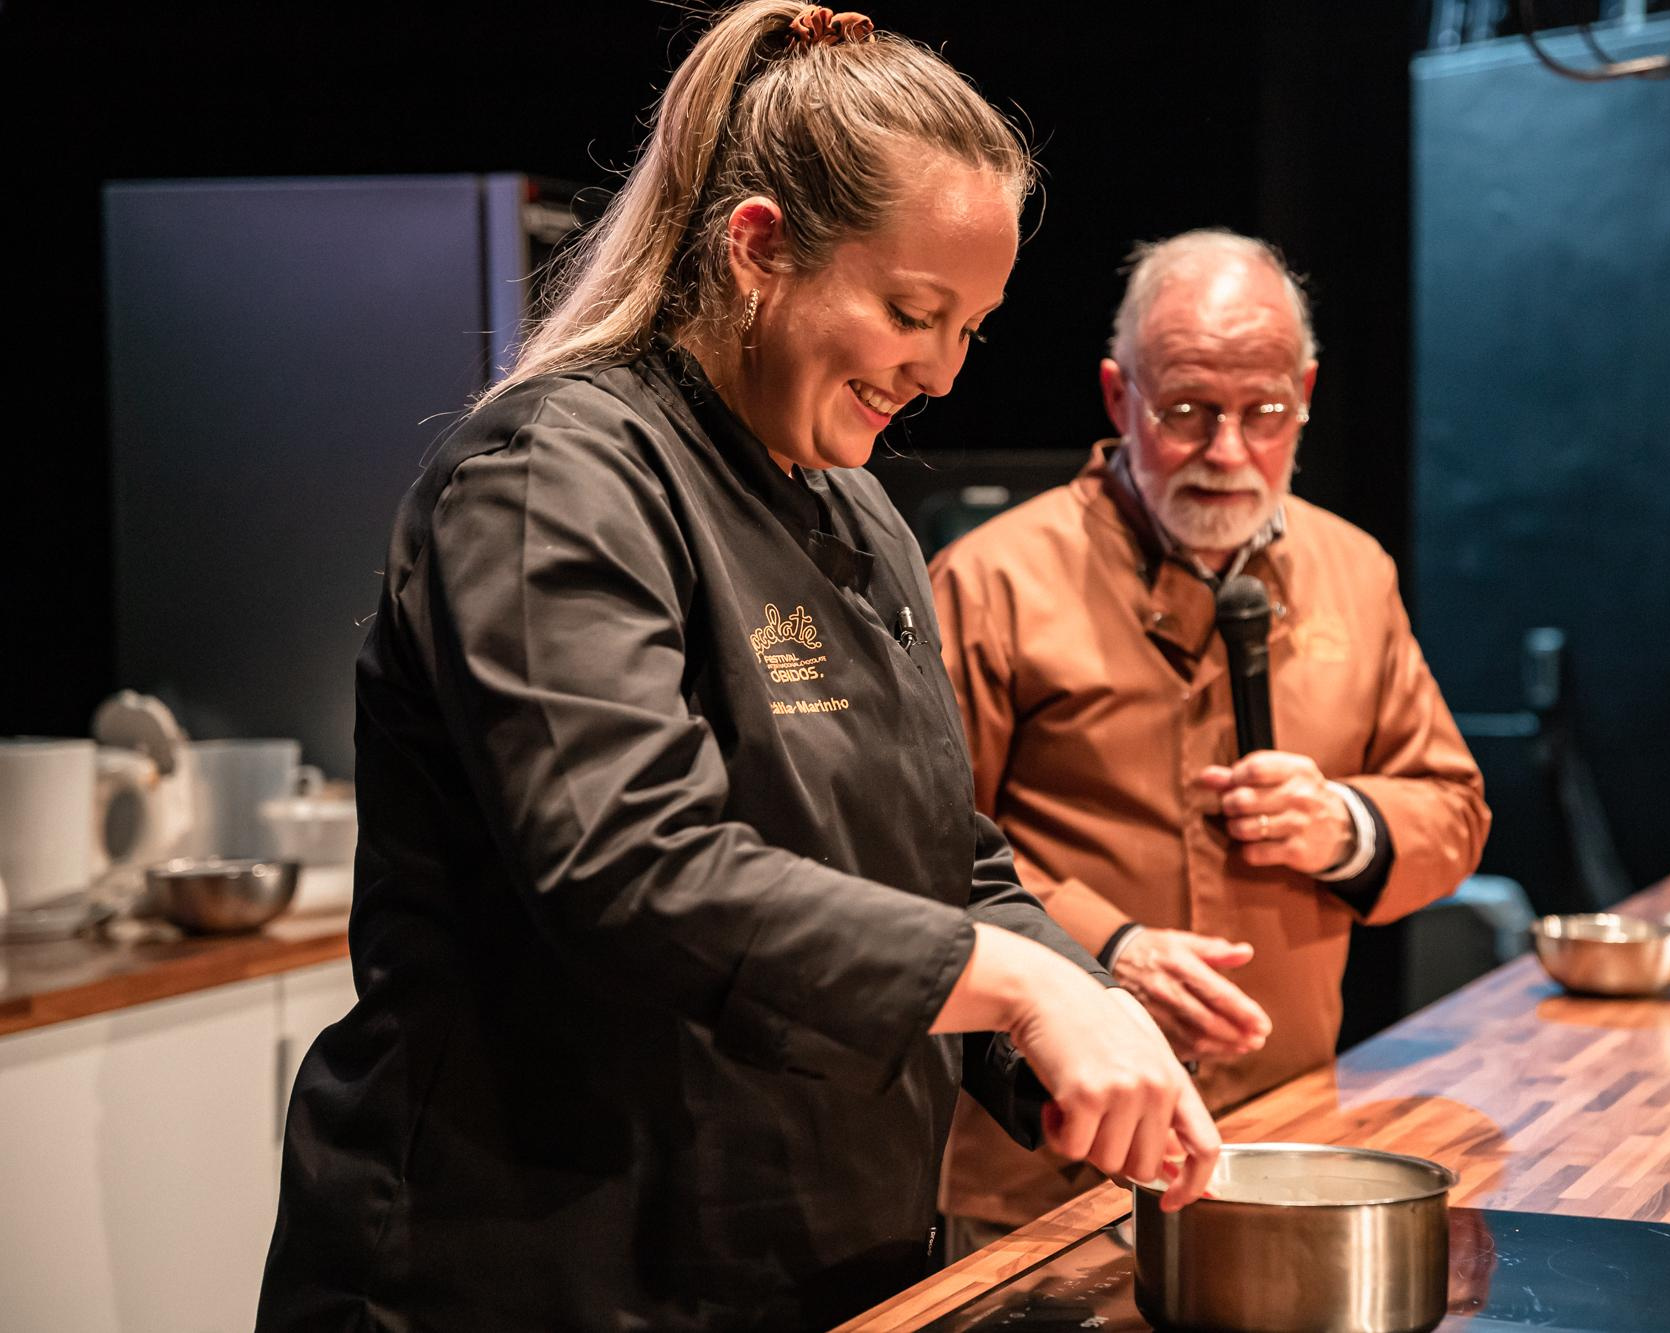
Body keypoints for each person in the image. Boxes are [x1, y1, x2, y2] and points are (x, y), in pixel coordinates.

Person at [256, 7, 1216, 1329]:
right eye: (912, 313)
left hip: (814, 1259)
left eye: (970, 330)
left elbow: (943, 861)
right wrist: (1021, 983)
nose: (940, 373)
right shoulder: (554, 474)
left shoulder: (855, 507)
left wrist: (1080, 1029)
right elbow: (630, 866)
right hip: (539, 1270)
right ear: (757, 247)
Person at [930, 229, 1491, 1249]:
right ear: (1119, 397)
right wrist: (1107, 947)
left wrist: (1348, 825)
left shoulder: (1354, 570)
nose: (1227, 451)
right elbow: (920, 851)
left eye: (1263, 412)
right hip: (1044, 1170)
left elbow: (1453, 808)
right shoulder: (990, 580)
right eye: (1186, 411)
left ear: (1305, 393)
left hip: (1285, 1139)